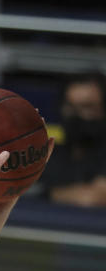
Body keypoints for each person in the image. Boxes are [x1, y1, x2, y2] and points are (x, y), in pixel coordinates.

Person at [43, 72, 106, 207]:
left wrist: (47, 193)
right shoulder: (54, 150)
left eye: (87, 107)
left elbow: (94, 197)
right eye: (70, 107)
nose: (76, 115)